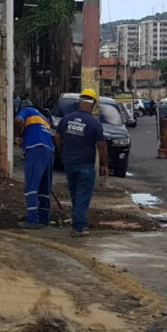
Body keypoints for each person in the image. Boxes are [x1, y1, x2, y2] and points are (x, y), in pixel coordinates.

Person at [55, 88, 109, 237]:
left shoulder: (66, 119)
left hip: (69, 163)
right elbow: (101, 145)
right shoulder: (94, 123)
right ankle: (78, 227)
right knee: (83, 196)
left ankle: (78, 221)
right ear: (93, 105)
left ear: (80, 102)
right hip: (85, 164)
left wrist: (63, 151)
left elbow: (57, 137)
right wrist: (104, 164)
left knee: (75, 194)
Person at [14, 98, 54, 229]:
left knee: (32, 185)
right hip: (49, 151)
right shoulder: (43, 118)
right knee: (44, 187)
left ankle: (32, 219)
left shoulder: (26, 111)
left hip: (35, 148)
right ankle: (44, 217)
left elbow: (18, 121)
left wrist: (18, 136)